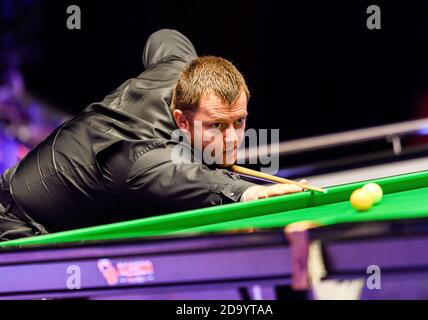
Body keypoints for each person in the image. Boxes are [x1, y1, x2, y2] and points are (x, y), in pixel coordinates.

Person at [0, 29, 304, 241]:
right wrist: (246, 192)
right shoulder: (139, 158)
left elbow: (165, 38)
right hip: (17, 222)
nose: (232, 140)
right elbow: (184, 177)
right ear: (181, 120)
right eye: (216, 126)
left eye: (239, 122)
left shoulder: (182, 71)